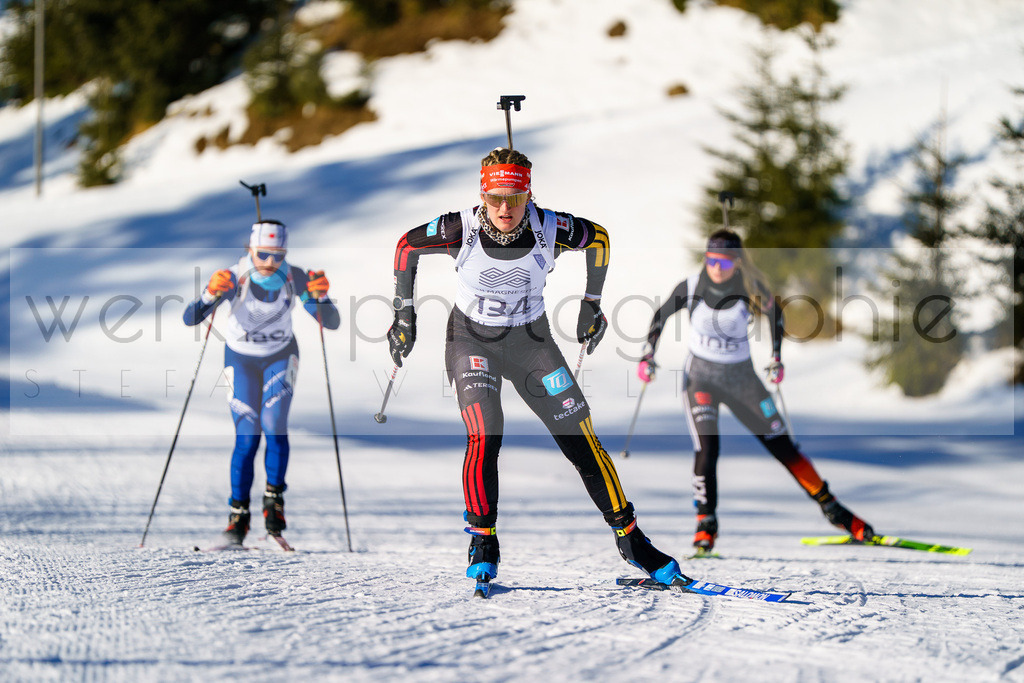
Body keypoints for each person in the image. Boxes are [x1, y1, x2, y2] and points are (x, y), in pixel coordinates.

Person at [387, 147, 685, 588]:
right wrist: (404, 313)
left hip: (531, 342)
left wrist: (593, 304)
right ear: (482, 196)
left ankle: (632, 539)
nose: (505, 208)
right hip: (472, 339)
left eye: (515, 197)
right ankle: (483, 540)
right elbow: (406, 246)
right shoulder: (459, 228)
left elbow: (599, 238)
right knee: (486, 431)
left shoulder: (551, 227)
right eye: (495, 198)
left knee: (580, 438)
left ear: (529, 194)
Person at [637, 229, 874, 553]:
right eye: (711, 258)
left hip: (743, 381)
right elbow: (660, 316)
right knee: (707, 450)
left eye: (724, 260)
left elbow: (777, 316)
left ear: (736, 262)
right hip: (700, 381)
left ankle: (836, 511)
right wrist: (648, 354)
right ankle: (706, 526)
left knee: (783, 446)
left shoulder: (750, 286)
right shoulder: (691, 286)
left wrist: (776, 357)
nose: (716, 266)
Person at [183, 219, 339, 545]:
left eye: (278, 255)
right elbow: (191, 317)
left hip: (280, 356)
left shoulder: (295, 276)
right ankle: (237, 518)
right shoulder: (232, 275)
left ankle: (274, 507)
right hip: (240, 358)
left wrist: (322, 298)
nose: (270, 262)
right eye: (263, 254)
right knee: (247, 436)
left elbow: (331, 322)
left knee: (274, 424)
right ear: (249, 250)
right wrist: (211, 293)